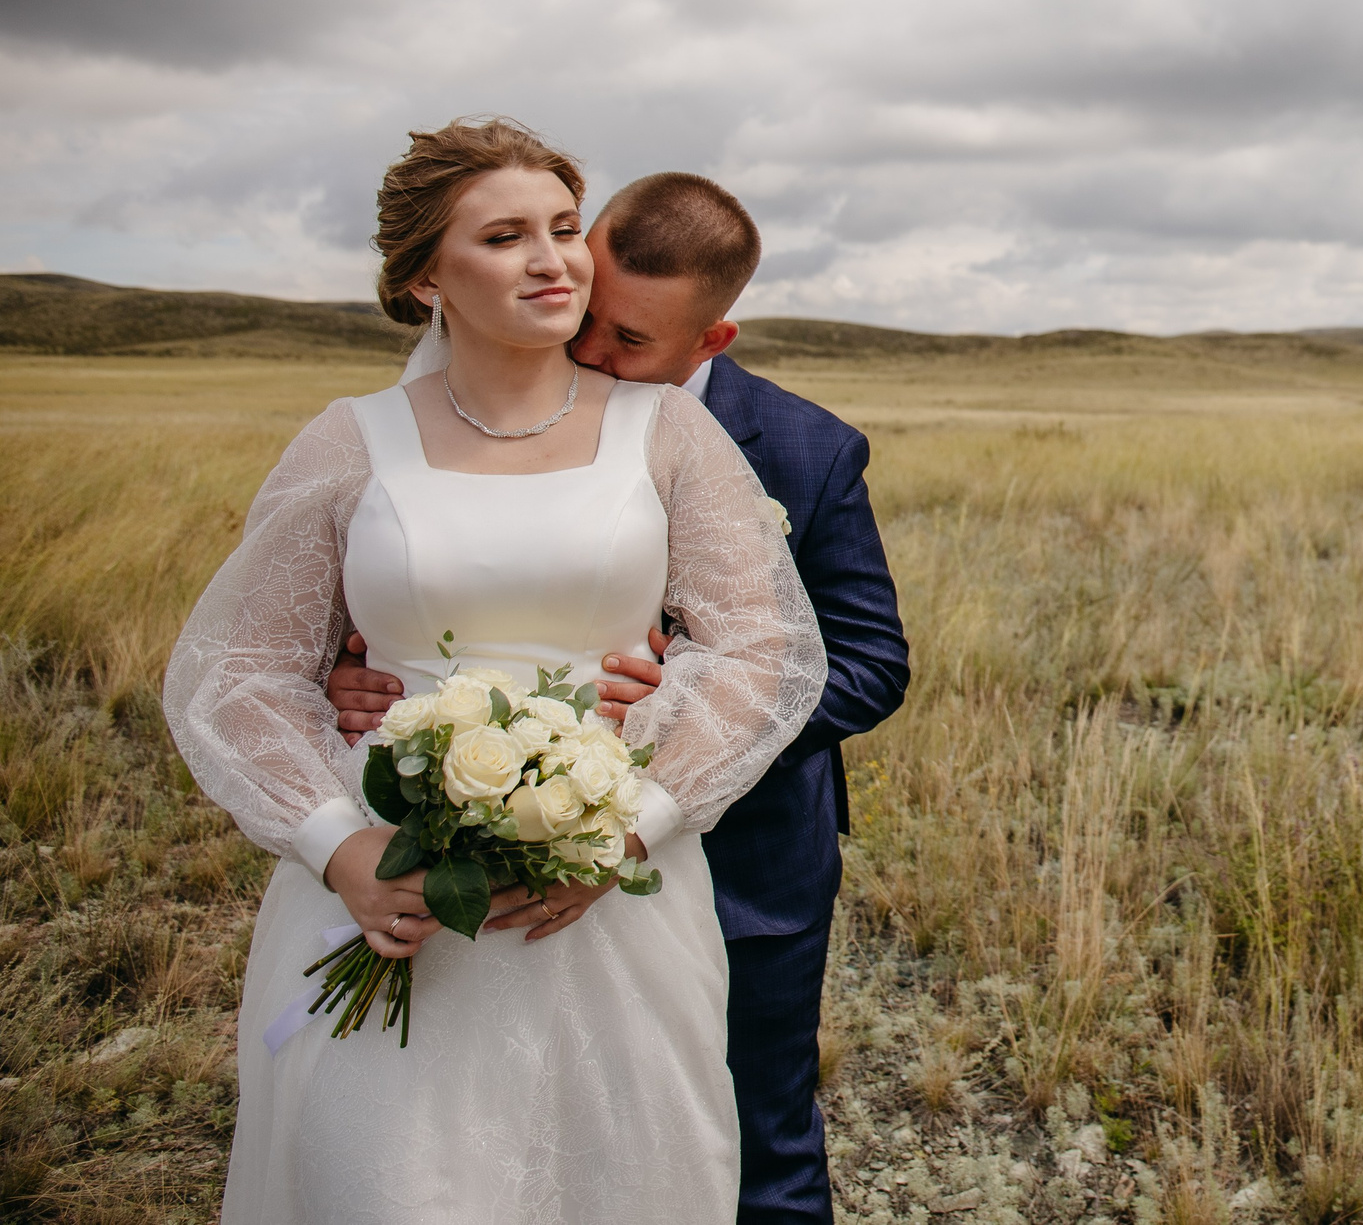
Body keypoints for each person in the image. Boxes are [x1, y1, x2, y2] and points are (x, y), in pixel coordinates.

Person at [166, 118, 827, 1223]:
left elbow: (761, 650)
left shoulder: (666, 431)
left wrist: (623, 829)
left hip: (611, 897)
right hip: (392, 881)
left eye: (566, 229)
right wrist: (345, 852)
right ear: (428, 274)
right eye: (506, 236)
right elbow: (238, 669)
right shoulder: (348, 439)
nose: (552, 259)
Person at [327, 169, 910, 1225]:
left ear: (712, 342)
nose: (591, 353)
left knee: (752, 1131)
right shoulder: (467, 407)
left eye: (630, 343)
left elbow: (871, 663)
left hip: (747, 868)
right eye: (590, 316)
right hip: (488, 840)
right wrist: (355, 670)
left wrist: (686, 698)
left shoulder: (809, 449)